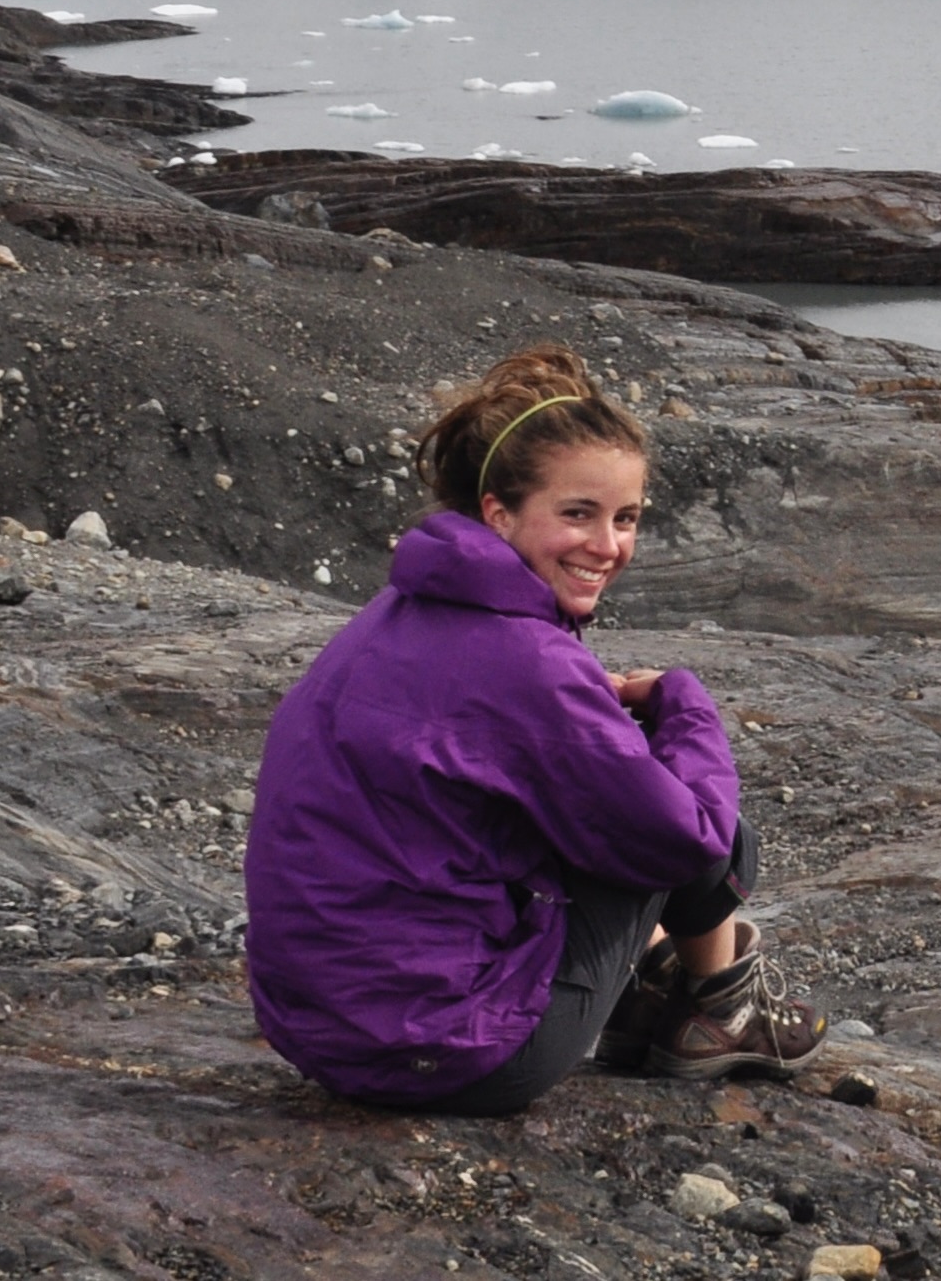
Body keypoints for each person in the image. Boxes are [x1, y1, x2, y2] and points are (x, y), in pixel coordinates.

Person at [244, 342, 823, 1113]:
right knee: (714, 829)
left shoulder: (398, 616)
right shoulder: (524, 661)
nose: (608, 546)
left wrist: (591, 706)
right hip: (450, 1055)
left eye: (626, 519)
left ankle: (660, 1001)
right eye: (577, 514)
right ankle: (721, 1009)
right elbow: (687, 839)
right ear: (499, 512)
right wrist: (684, 702)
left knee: (596, 799)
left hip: (325, 1036)